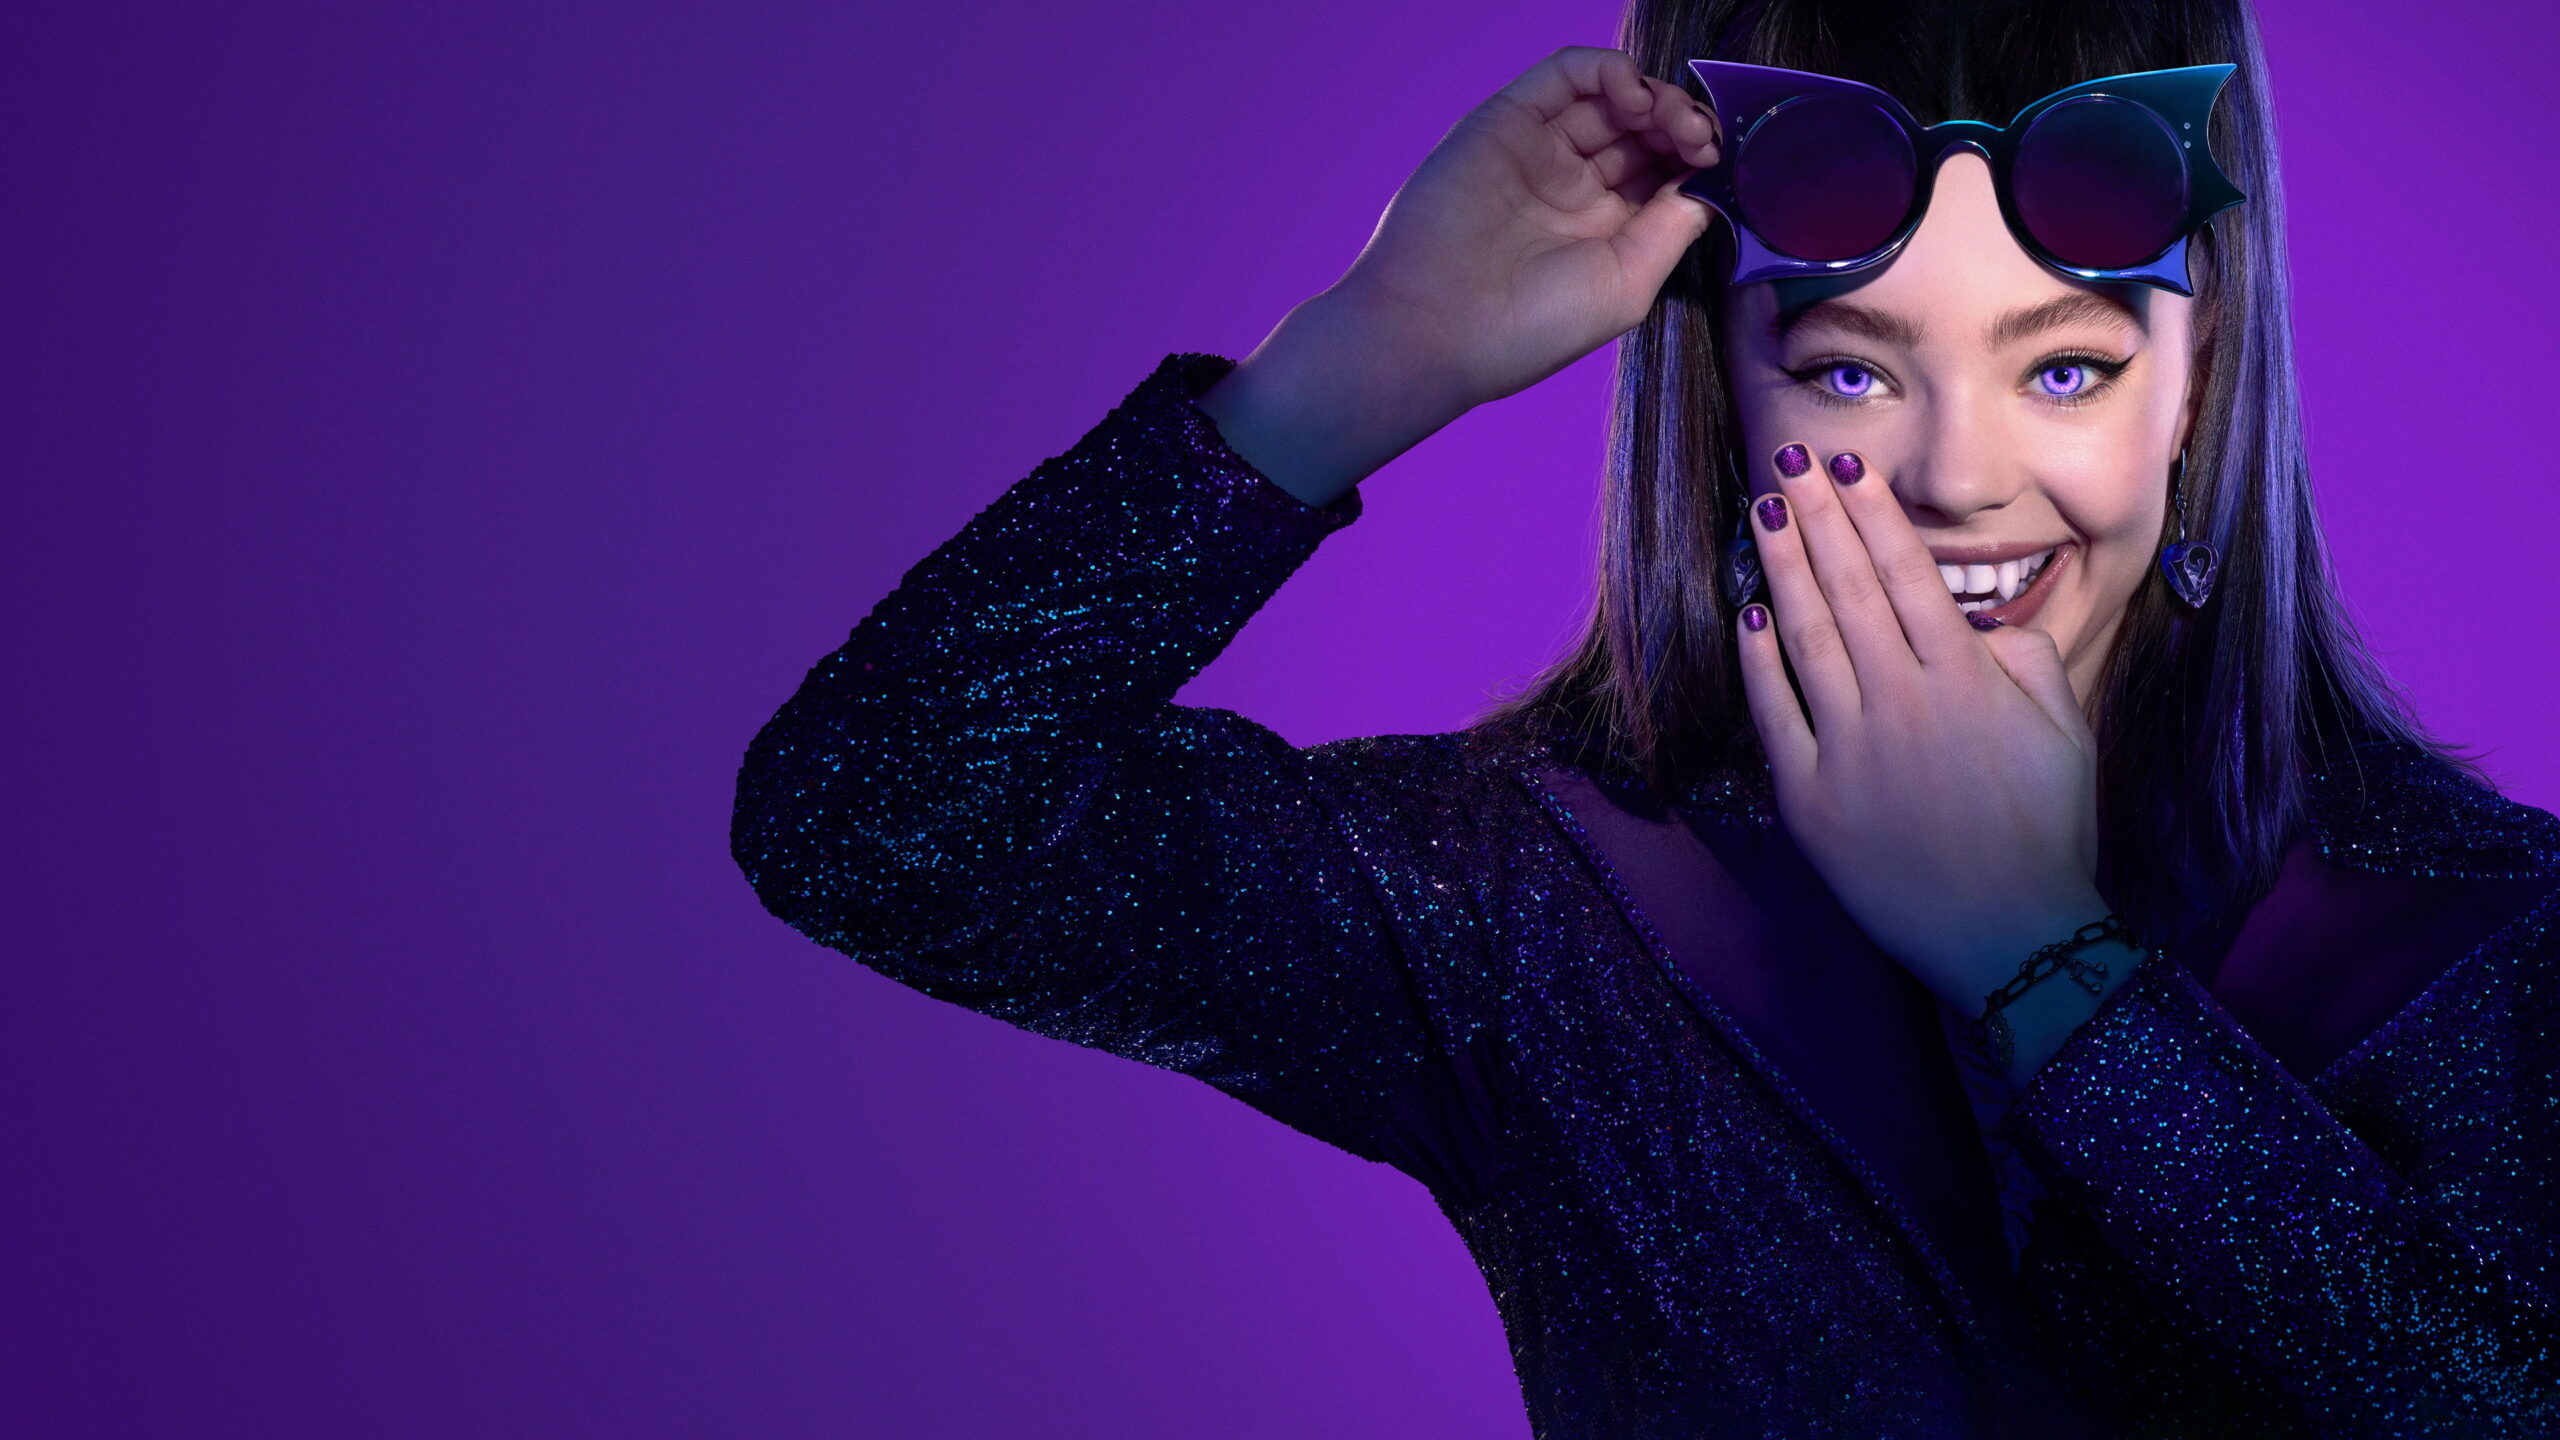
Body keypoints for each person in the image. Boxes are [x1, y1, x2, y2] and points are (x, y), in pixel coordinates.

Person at [729, 0, 2560, 1433]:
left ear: (2199, 385)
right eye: (1850, 368)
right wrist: (1363, 356)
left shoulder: (2487, 928)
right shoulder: (1537, 899)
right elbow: (876, 820)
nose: (1958, 476)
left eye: (2066, 365)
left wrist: (2042, 963)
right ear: (1726, 394)